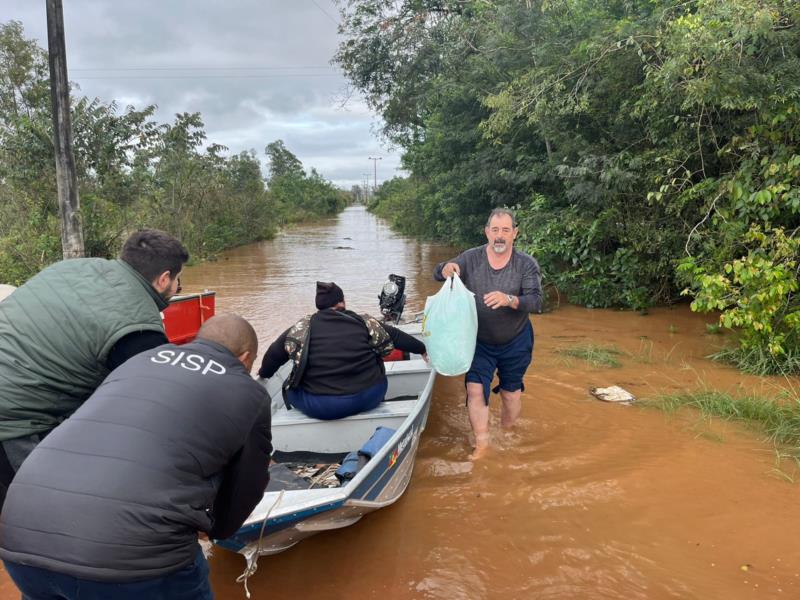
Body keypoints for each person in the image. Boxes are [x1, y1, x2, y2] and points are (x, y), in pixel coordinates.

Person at [0, 314, 271, 600]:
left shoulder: (137, 362)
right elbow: (246, 485)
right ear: (245, 358)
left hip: (20, 538)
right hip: (131, 561)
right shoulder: (249, 392)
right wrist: (218, 528)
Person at [0, 229, 189, 505]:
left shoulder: (71, 268)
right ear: (164, 280)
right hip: (15, 423)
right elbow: (154, 417)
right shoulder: (140, 329)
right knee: (49, 514)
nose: (176, 288)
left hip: (20, 389)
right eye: (178, 282)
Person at [434, 208, 542, 458]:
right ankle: (482, 444)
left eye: (506, 230)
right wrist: (446, 268)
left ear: (515, 233)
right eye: (495, 230)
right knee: (474, 389)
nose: (500, 236)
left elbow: (536, 302)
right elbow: (437, 272)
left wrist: (509, 299)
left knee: (510, 393)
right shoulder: (471, 258)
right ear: (487, 232)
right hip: (478, 340)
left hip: (516, 339)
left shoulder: (526, 264)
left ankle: (507, 433)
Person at [259, 281, 426, 420]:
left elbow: (273, 356)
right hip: (368, 397)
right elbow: (396, 336)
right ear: (341, 302)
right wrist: (422, 349)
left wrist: (264, 375)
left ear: (319, 305)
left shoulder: (300, 329)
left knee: (289, 388)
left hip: (322, 407)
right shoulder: (365, 323)